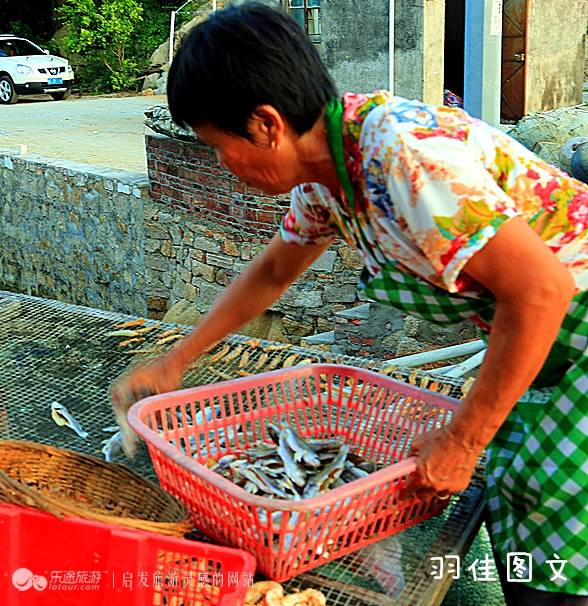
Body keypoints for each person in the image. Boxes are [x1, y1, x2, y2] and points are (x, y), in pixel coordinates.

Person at [111, 3, 588, 604]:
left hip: (575, 343)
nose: (221, 166)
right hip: (543, 358)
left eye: (217, 145)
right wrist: (176, 360)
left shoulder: (402, 157)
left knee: (563, 568)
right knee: (526, 536)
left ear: (265, 124)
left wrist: (463, 440)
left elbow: (542, 292)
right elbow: (273, 270)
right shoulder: (330, 176)